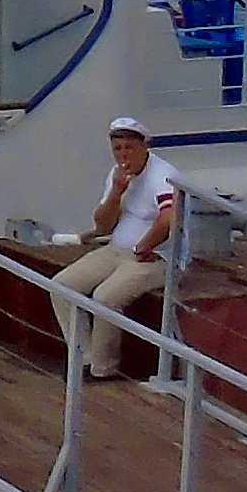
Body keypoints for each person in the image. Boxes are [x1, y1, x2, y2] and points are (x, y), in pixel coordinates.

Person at [52, 118, 179, 381]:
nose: (123, 154)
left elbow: (169, 218)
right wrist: (116, 193)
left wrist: (145, 244)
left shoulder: (163, 175)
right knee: (61, 285)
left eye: (129, 147)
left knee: (106, 296)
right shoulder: (116, 175)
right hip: (116, 248)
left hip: (155, 257)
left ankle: (103, 368)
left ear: (144, 146)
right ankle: (82, 358)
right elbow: (103, 224)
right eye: (118, 148)